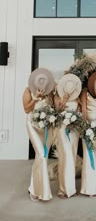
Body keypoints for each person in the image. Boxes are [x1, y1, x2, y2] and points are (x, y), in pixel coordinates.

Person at [23, 68, 55, 201]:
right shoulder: (28, 90)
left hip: (47, 128)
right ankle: (42, 191)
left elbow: (53, 108)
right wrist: (35, 99)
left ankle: (33, 187)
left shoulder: (49, 93)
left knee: (42, 157)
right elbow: (26, 109)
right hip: (33, 125)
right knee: (41, 154)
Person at [54, 73, 82, 199]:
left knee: (72, 155)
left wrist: (76, 118)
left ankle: (70, 188)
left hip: (74, 129)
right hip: (62, 128)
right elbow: (57, 111)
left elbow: (80, 112)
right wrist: (64, 99)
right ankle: (62, 189)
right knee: (65, 156)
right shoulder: (57, 96)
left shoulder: (77, 98)